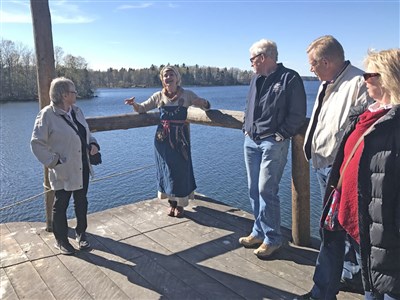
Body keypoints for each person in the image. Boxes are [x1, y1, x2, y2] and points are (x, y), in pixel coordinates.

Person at [297, 49, 400, 299]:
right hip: (352, 207)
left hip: (381, 223)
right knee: (366, 272)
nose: (364, 79)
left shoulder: (394, 122)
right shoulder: (368, 114)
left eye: (370, 74)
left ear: (386, 77)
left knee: (383, 281)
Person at [301, 35, 371, 298]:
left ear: (326, 61)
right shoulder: (327, 82)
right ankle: (351, 277)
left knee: (333, 232)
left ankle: (322, 292)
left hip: (341, 172)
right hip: (323, 167)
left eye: (312, 64)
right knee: (339, 230)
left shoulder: (359, 83)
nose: (310, 69)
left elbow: (363, 133)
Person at [239, 39, 306, 259]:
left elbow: (297, 113)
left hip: (272, 143)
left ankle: (273, 238)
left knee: (266, 189)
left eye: (252, 59)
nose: (250, 64)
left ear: (263, 57)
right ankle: (258, 231)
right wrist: (245, 128)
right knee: (253, 189)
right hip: (251, 141)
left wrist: (281, 134)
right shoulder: (255, 78)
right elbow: (249, 106)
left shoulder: (290, 78)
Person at [124, 65, 210, 218]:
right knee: (166, 170)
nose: (168, 78)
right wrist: (134, 105)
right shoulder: (158, 96)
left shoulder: (187, 94)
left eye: (171, 75)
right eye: (165, 76)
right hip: (162, 139)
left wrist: (204, 103)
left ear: (177, 78)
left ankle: (181, 206)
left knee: (181, 171)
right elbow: (143, 108)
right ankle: (172, 204)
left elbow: (205, 106)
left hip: (180, 139)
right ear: (162, 80)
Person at [31, 77, 100, 255]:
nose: (76, 93)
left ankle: (81, 233)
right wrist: (54, 161)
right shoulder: (47, 115)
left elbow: (86, 133)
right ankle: (61, 240)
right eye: (73, 91)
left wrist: (93, 145)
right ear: (63, 95)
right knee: (61, 204)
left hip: (82, 165)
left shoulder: (77, 111)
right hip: (63, 168)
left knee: (81, 202)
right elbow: (36, 143)